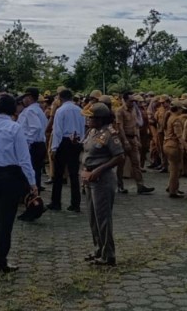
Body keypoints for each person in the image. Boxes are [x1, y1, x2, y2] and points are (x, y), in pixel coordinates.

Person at [0, 94, 37, 274]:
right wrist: (32, 182)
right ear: (12, 108)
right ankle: (0, 261)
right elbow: (24, 159)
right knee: (5, 221)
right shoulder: (14, 127)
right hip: (9, 176)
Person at [81, 103, 125, 267]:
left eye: (91, 117)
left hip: (102, 179)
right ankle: (98, 249)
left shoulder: (110, 134)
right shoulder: (92, 132)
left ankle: (108, 255)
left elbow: (120, 157)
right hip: (89, 178)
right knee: (93, 217)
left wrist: (99, 169)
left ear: (99, 119)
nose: (88, 119)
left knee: (103, 218)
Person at [48, 89, 85, 212]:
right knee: (74, 174)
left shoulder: (60, 110)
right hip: (77, 142)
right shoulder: (80, 110)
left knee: (58, 174)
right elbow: (83, 128)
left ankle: (56, 202)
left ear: (60, 98)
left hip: (63, 142)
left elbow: (57, 130)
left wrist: (54, 148)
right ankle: (75, 204)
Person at [114, 92, 154, 195]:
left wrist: (137, 139)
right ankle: (120, 186)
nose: (133, 102)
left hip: (133, 139)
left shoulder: (133, 110)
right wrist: (125, 141)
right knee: (121, 164)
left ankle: (140, 185)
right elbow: (120, 127)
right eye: (131, 101)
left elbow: (135, 126)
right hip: (124, 139)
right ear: (125, 100)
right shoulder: (120, 111)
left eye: (134, 101)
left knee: (136, 163)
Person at [17, 87, 48, 195]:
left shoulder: (30, 110)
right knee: (36, 173)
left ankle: (31, 198)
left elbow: (36, 127)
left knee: (29, 172)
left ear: (29, 98)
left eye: (24, 97)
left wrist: (27, 142)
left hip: (33, 145)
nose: (23, 100)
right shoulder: (38, 109)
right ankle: (35, 197)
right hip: (39, 144)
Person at [162, 100, 187, 198]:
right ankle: (173, 191)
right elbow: (179, 136)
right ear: (178, 109)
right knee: (175, 170)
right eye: (181, 109)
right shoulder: (176, 119)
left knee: (174, 168)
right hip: (174, 146)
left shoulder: (170, 117)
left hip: (167, 144)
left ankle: (173, 187)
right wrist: (186, 147)